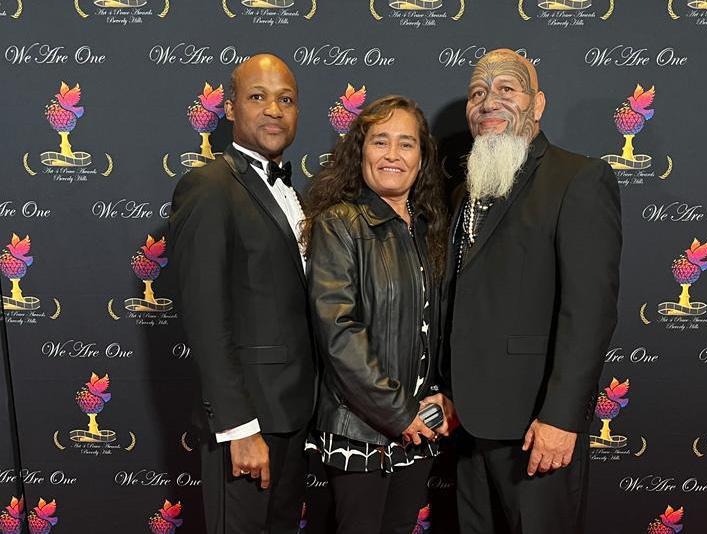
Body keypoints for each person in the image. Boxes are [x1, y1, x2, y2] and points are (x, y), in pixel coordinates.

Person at [444, 48, 622, 533]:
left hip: (536, 428)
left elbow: (590, 312)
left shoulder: (578, 179)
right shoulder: (466, 192)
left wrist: (562, 418)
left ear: (537, 104)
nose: (489, 102)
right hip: (468, 427)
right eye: (478, 93)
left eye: (507, 89)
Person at [169, 54, 315, 534]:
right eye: (258, 96)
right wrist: (240, 428)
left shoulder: (297, 193)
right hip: (247, 425)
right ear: (230, 108)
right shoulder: (209, 187)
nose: (274, 109)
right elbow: (206, 318)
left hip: (295, 417)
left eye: (286, 99)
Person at [301, 95, 457, 534]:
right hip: (361, 430)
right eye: (380, 141)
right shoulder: (339, 224)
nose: (393, 155)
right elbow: (339, 333)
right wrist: (399, 413)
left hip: (420, 430)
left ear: (422, 157)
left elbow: (442, 327)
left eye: (406, 144)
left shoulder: (429, 228)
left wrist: (444, 397)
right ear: (361, 151)